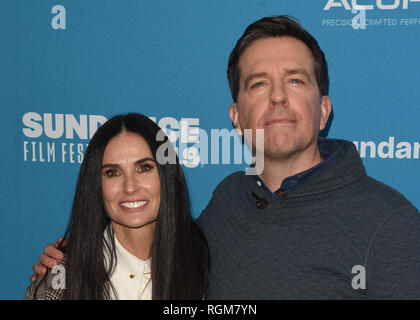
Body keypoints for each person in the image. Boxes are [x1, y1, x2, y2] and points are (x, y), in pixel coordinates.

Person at [31, 16, 420, 299]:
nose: (278, 96)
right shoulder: (228, 200)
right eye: (259, 83)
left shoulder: (390, 223)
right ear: (236, 118)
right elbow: (159, 243)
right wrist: (69, 262)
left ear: (323, 110)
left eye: (296, 80)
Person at [25, 113, 209, 300]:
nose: (130, 187)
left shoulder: (203, 261)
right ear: (96, 184)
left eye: (144, 168)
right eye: (113, 173)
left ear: (166, 175)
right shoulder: (63, 277)